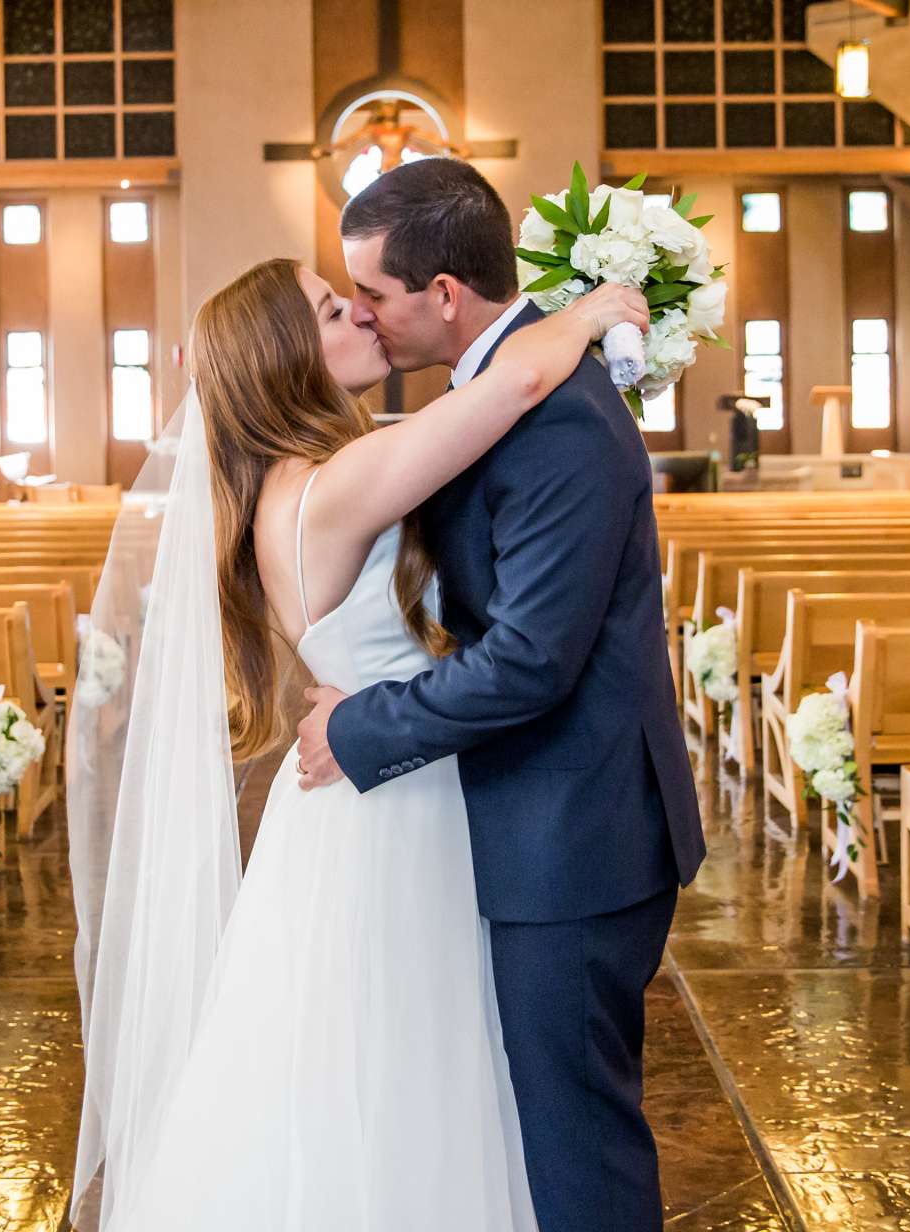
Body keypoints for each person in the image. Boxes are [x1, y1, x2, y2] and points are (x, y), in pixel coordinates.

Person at [67, 207, 660, 1230]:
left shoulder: (303, 476)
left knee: (375, 1067)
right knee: (401, 1070)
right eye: (336, 310)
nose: (364, 321)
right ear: (290, 355)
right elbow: (514, 381)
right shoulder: (330, 488)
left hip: (373, 782)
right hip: (392, 799)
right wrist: (594, 308)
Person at [299, 159, 707, 1232]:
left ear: (443, 294)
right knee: (538, 1116)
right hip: (533, 813)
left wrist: (359, 724)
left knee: (577, 1135)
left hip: (579, 830)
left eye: (374, 295)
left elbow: (531, 657)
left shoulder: (556, 416)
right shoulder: (500, 389)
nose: (368, 318)